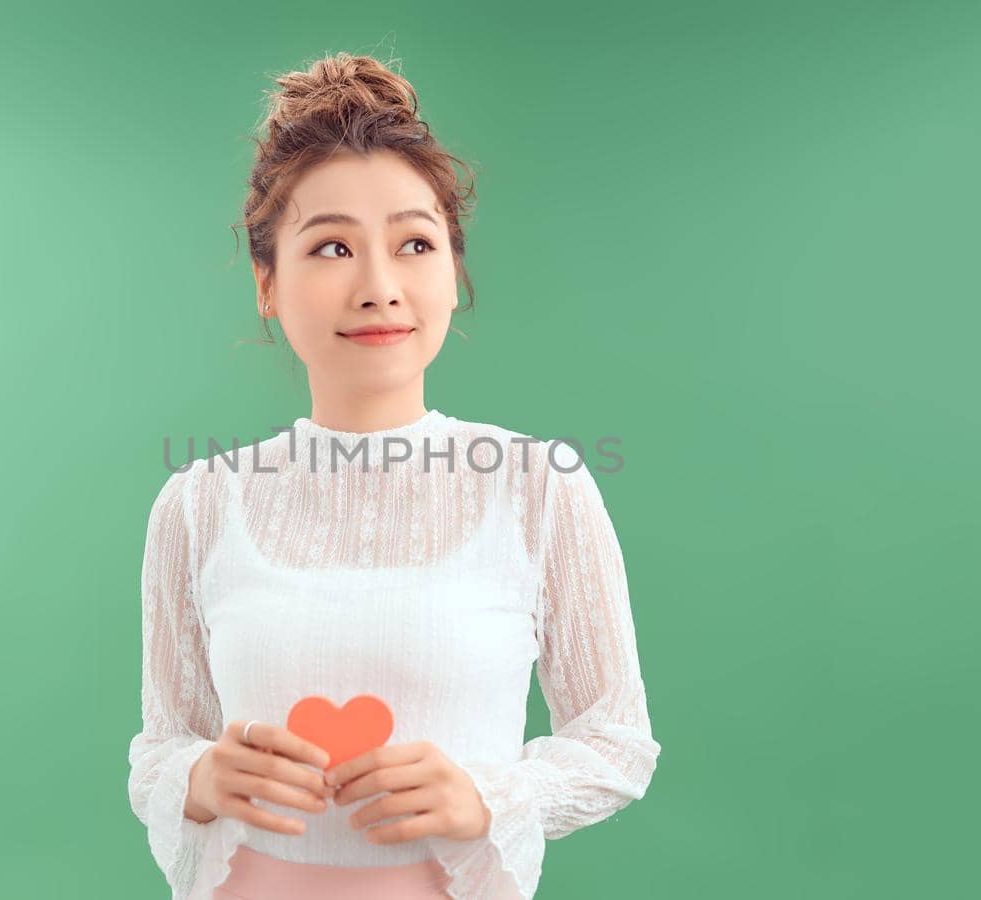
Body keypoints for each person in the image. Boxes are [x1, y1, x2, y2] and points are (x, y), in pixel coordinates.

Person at [126, 50, 662, 900]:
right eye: (332, 245)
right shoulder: (197, 505)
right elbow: (162, 745)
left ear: (454, 272)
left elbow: (617, 741)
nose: (379, 288)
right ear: (268, 282)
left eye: (414, 242)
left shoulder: (538, 487)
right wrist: (198, 777)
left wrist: (490, 794)